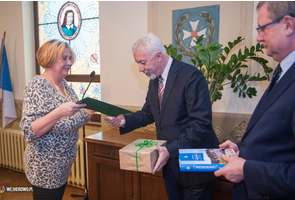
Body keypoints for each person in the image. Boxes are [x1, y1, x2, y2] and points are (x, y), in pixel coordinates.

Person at [106, 33, 219, 200]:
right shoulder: (154, 80)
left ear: (159, 56)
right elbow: (149, 112)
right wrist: (125, 120)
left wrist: (169, 150)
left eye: (142, 62)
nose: (140, 69)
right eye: (138, 63)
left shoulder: (191, 76)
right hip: (170, 165)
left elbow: (200, 125)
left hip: (195, 167)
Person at [214, 1, 295, 199]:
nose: (258, 38)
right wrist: (241, 150)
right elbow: (278, 142)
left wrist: (247, 170)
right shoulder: (282, 71)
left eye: (262, 29)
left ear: (288, 25)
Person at [20, 39, 94, 200]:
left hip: (62, 166)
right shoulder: (37, 86)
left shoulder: (64, 85)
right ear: (50, 59)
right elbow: (29, 132)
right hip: (45, 168)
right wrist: (59, 112)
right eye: (65, 58)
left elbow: (72, 119)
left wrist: (87, 114)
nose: (70, 62)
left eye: (70, 58)